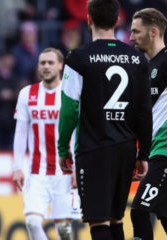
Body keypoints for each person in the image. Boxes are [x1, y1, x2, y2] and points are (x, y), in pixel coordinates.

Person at [57, 0, 153, 240]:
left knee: (99, 224)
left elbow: (69, 109)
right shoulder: (138, 60)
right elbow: (144, 111)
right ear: (118, 19)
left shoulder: (78, 59)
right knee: (115, 220)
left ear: (88, 19)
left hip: (94, 149)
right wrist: (143, 155)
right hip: (125, 149)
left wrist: (62, 148)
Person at [13, 48, 80, 240]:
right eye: (42, 63)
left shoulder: (70, 93)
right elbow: (20, 133)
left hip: (65, 173)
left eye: (51, 62)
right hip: (36, 173)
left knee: (64, 231)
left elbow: (78, 133)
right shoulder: (27, 93)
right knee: (32, 223)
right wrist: (17, 167)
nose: (46, 66)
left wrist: (77, 166)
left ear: (60, 66)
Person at [129, 8, 167, 239]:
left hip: (165, 152)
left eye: (136, 31)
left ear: (153, 32)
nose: (131, 37)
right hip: (154, 152)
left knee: (140, 211)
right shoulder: (147, 67)